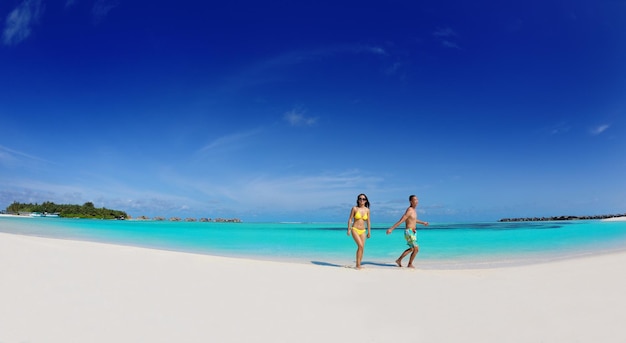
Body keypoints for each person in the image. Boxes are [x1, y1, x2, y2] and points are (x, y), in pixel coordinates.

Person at [386, 195, 429, 268]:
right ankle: (409, 264)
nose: (416, 201)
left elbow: (414, 220)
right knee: (416, 248)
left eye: (417, 199)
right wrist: (391, 228)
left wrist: (423, 222)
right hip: (409, 232)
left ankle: (399, 260)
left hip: (413, 232)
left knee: (412, 249)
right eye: (414, 200)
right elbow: (401, 220)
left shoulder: (414, 211)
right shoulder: (409, 210)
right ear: (411, 201)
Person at [347, 193, 371, 269]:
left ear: (366, 201)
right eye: (360, 199)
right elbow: (350, 219)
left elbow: (368, 221)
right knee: (360, 246)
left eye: (363, 199)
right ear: (358, 200)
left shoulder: (367, 210)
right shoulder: (354, 208)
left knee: (362, 248)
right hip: (355, 229)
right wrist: (349, 229)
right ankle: (358, 265)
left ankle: (358, 264)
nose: (362, 200)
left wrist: (369, 232)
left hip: (363, 230)